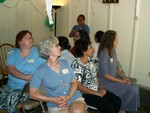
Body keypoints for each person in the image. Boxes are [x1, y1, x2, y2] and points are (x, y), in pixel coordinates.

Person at [29, 36, 87, 113]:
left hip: (74, 98)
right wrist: (53, 100)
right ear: (48, 50)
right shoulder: (40, 71)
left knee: (77, 111)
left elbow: (74, 82)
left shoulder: (64, 63)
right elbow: (32, 94)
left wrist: (68, 97)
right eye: (57, 45)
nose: (60, 47)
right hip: (55, 105)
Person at [71, 39, 121, 113]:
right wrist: (97, 93)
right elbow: (79, 86)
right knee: (109, 108)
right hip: (85, 94)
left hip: (96, 89)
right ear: (84, 51)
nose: (94, 49)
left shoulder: (90, 60)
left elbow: (95, 75)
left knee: (117, 101)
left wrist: (101, 87)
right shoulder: (77, 64)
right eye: (90, 47)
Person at [0, 30, 45, 113]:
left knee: (11, 103)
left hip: (28, 89)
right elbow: (10, 68)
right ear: (19, 41)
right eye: (26, 37)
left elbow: (46, 67)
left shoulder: (37, 52)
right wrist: (25, 77)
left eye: (30, 37)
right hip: (11, 87)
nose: (30, 39)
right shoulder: (13, 52)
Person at [97, 30, 140, 112]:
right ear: (110, 40)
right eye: (116, 39)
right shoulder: (103, 54)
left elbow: (116, 68)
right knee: (132, 89)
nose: (117, 41)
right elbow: (106, 75)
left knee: (135, 86)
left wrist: (124, 77)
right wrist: (121, 81)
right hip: (106, 83)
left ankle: (127, 108)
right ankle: (122, 108)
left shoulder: (113, 51)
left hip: (113, 80)